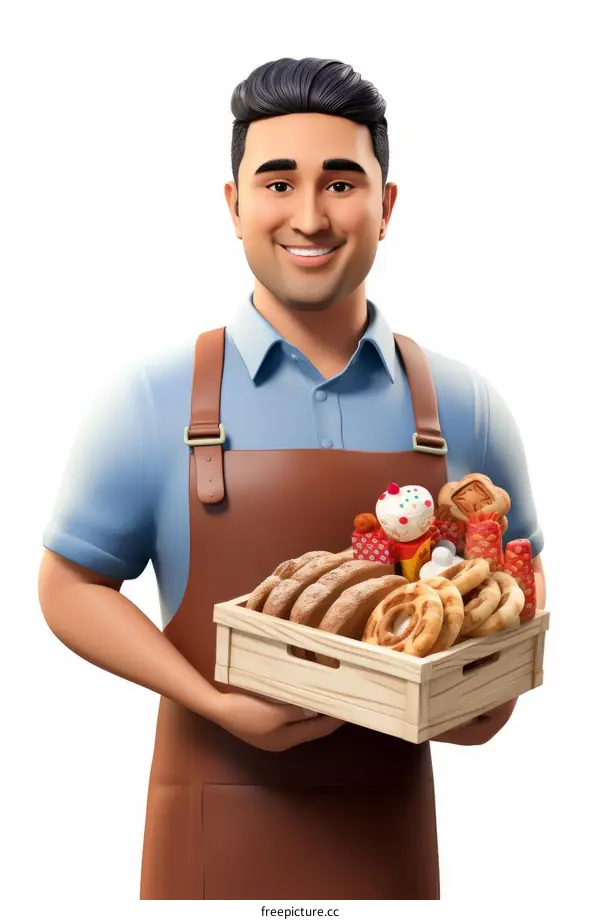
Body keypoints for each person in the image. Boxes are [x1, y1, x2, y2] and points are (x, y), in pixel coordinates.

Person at [38, 57, 546, 900]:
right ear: (233, 205)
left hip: (387, 843)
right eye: (278, 183)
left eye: (341, 183)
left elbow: (514, 585)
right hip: (207, 837)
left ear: (386, 207)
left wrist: (480, 694)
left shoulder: (467, 405)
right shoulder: (151, 398)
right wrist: (216, 701)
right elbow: (67, 585)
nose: (309, 215)